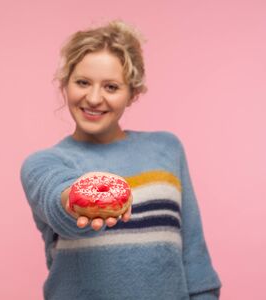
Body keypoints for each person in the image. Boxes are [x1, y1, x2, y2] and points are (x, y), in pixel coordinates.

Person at [20, 19, 222, 300]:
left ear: (133, 94)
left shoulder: (167, 149)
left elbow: (194, 254)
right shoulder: (44, 163)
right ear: (65, 85)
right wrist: (83, 200)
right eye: (82, 82)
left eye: (111, 87)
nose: (93, 98)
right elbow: (57, 196)